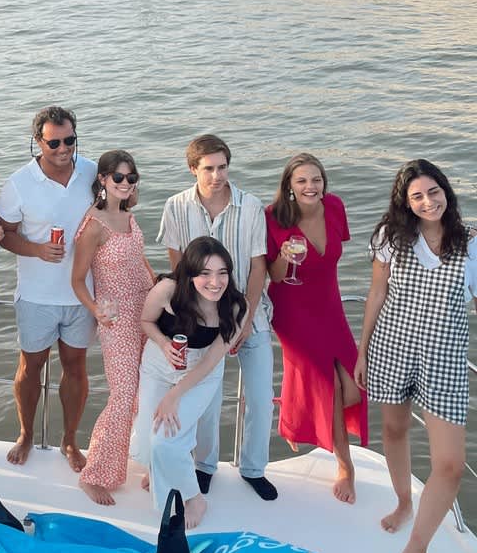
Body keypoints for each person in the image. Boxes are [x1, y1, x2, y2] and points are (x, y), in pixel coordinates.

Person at [355, 159, 476, 553]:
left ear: (446, 190)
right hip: (393, 344)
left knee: (450, 464)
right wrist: (363, 351)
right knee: (394, 429)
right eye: (417, 196)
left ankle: (416, 550)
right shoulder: (391, 237)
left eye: (434, 191)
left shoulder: (471, 245)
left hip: (444, 358)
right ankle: (404, 501)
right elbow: (377, 292)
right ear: (406, 202)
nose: (428, 202)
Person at [157, 134, 277, 500]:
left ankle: (254, 468)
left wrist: (245, 319)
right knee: (206, 398)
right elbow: (178, 267)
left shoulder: (251, 206)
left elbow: (259, 268)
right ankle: (204, 465)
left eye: (222, 167)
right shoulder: (176, 206)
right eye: (208, 169)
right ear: (193, 169)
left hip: (249, 315)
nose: (217, 176)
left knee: (260, 397)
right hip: (203, 320)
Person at [0, 106, 97, 471]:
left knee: (75, 367)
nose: (63, 148)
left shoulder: (92, 173)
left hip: (81, 295)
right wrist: (37, 249)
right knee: (31, 368)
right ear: (37, 141)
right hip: (36, 296)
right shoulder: (18, 183)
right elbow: (5, 235)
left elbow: (119, 205)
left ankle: (70, 441)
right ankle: (25, 433)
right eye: (53, 141)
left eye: (69, 140)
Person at [265, 154, 367, 503]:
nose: (311, 187)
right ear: (290, 187)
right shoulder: (273, 217)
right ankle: (345, 467)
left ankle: (291, 416)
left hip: (330, 307)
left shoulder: (335, 207)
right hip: (293, 312)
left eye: (316, 180)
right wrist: (284, 257)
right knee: (331, 388)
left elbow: (336, 254)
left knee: (354, 387)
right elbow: (274, 276)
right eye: (302, 181)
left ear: (324, 183)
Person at [131, 237, 248, 529]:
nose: (215, 282)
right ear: (190, 274)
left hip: (200, 372)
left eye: (222, 272)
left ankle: (194, 498)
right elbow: (146, 321)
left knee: (166, 439)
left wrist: (175, 394)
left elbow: (211, 362)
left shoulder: (235, 306)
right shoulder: (168, 290)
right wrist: (163, 342)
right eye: (205, 273)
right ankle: (160, 469)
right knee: (149, 438)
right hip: (159, 362)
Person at [71, 150, 156, 504]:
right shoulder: (94, 225)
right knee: (123, 395)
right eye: (117, 178)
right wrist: (96, 310)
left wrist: (162, 294)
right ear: (103, 180)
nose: (124, 184)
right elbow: (77, 280)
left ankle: (152, 461)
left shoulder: (129, 217)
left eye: (130, 178)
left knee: (150, 390)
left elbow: (141, 262)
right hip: (117, 318)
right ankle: (96, 473)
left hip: (148, 312)